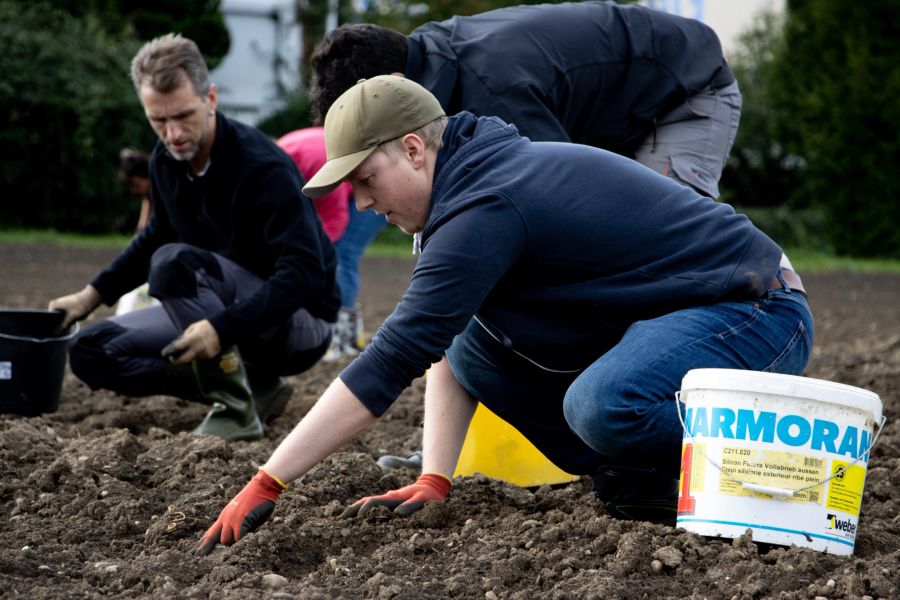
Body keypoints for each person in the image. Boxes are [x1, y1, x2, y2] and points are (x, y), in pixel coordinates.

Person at [196, 76, 812, 554]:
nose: (360, 203)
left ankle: (786, 462)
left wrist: (268, 480)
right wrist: (435, 477)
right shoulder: (468, 187)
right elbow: (442, 343)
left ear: (413, 149)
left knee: (601, 406)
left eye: (363, 179)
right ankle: (650, 476)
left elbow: (394, 356)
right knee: (475, 343)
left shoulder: (486, 205)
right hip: (673, 321)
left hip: (754, 309)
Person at [309, 0, 743, 409]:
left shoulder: (490, 87)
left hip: (683, 91)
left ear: (393, 86)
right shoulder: (434, 78)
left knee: (654, 260)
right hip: (612, 111)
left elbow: (552, 204)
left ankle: (668, 414)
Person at [48, 34, 341, 441]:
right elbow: (155, 236)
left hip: (298, 324)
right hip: (217, 305)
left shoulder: (262, 168)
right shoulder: (165, 162)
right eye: (158, 121)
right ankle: (251, 389)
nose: (173, 134)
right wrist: (92, 295)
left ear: (212, 98)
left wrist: (221, 329)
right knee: (91, 352)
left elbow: (305, 274)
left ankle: (237, 406)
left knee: (171, 265)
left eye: (183, 115)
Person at [275, 127, 363, 360]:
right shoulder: (275, 165)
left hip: (366, 184)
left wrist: (313, 252)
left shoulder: (312, 165)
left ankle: (338, 333)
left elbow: (335, 220)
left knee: (343, 255)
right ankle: (352, 331)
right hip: (328, 168)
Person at [115, 148, 160, 316]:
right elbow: (143, 225)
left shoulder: (162, 187)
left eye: (135, 184)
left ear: (145, 176)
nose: (134, 190)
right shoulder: (149, 193)